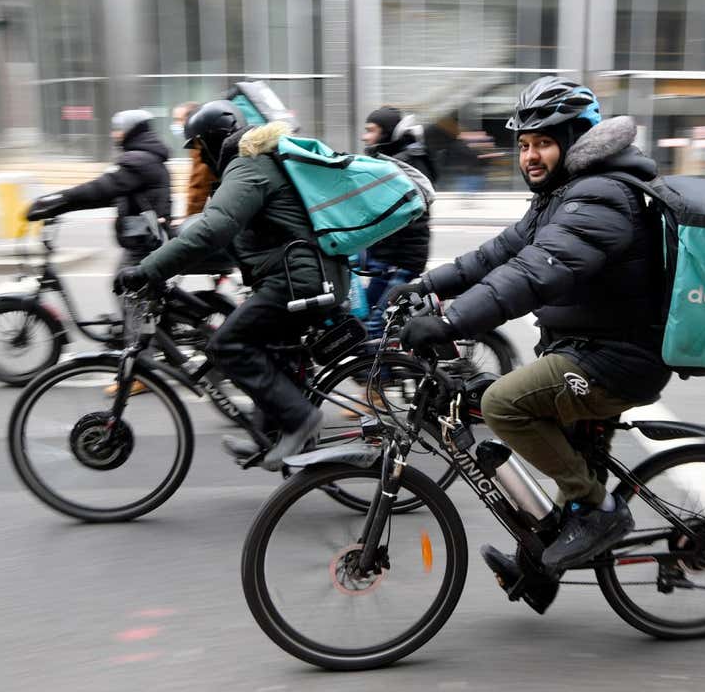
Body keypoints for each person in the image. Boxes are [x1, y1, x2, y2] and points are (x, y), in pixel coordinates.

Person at [397, 76, 670, 585]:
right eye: (523, 145)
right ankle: (539, 570)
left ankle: (601, 511)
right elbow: (497, 255)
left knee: (503, 403)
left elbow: (533, 273)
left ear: (575, 142)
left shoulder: (602, 197)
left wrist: (452, 320)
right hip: (587, 349)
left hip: (618, 361)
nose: (530, 156)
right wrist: (426, 286)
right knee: (565, 453)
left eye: (543, 142)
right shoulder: (563, 195)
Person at [113, 101, 348, 471]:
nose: (199, 160)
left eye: (197, 149)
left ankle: (300, 419)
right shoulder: (254, 164)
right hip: (303, 275)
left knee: (227, 344)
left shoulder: (247, 165)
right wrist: (172, 261)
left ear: (210, 142)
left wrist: (146, 271)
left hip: (298, 280)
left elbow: (213, 229)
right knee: (264, 348)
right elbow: (227, 243)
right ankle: (267, 435)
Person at [25, 109, 173, 267]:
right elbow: (105, 197)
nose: (113, 134)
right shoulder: (145, 157)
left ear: (132, 130)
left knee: (127, 286)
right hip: (146, 240)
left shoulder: (138, 161)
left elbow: (98, 190)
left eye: (118, 129)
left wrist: (51, 202)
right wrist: (58, 208)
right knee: (132, 287)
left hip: (143, 243)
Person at [355, 106, 434, 338]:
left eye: (371, 130)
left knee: (376, 324)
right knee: (361, 315)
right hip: (387, 257)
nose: (364, 136)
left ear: (387, 134)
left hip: (402, 260)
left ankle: (384, 374)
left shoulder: (404, 166)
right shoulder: (394, 163)